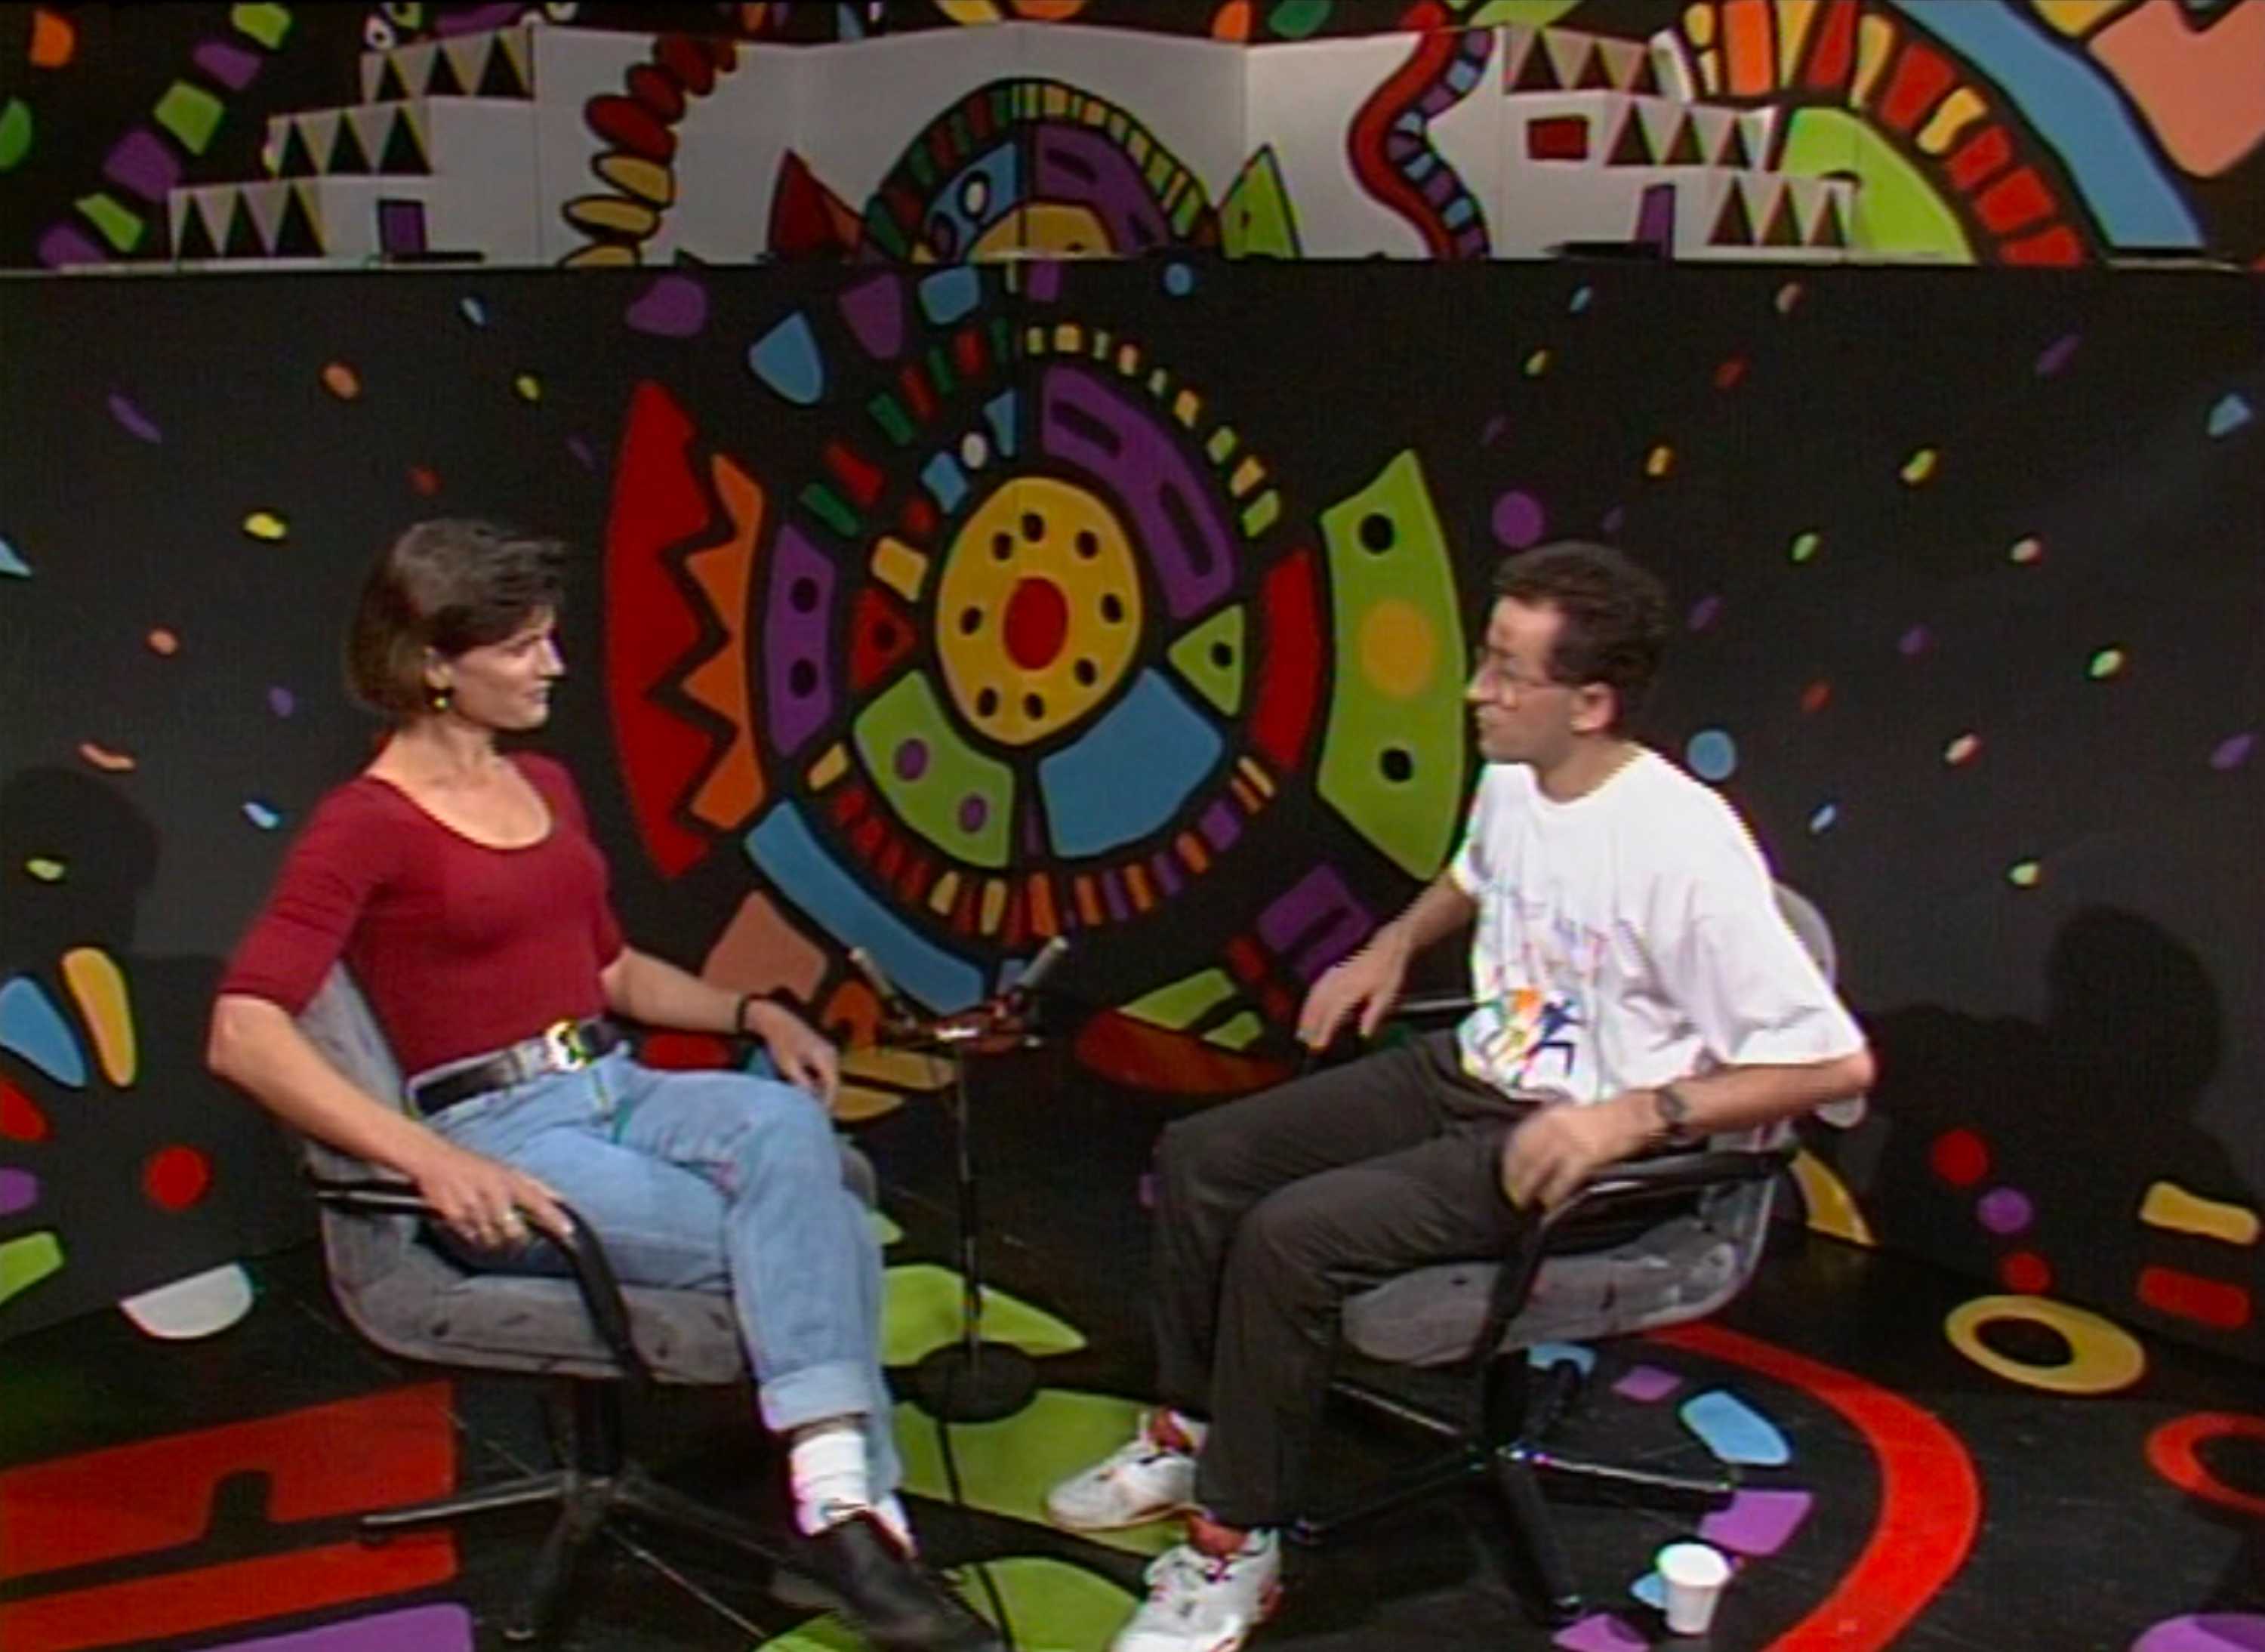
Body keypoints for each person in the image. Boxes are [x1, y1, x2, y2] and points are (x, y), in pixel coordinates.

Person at [1044, 541, 1876, 1652]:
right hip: (1477, 1068)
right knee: (1205, 1158)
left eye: (1508, 673)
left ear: (1591, 703)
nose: (1477, 691)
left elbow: (1836, 1066)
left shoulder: (1683, 849)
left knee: (1294, 1238)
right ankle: (1195, 1430)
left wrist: (1632, 1117)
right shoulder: (1519, 773)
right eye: (1486, 659)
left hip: (1582, 1143)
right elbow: (1476, 876)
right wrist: (1391, 945)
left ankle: (1237, 1545)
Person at [207, 519, 1000, 1652]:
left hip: (616, 1084)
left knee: (788, 1124)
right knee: (817, 1229)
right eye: (522, 647)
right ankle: (851, 1515)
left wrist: (753, 1012)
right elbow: (244, 1031)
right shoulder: (364, 825)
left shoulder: (545, 783)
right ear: (434, 664)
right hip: (501, 1133)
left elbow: (614, 971)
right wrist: (430, 1159)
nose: (555, 666)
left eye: (550, 638)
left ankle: (840, 1513)